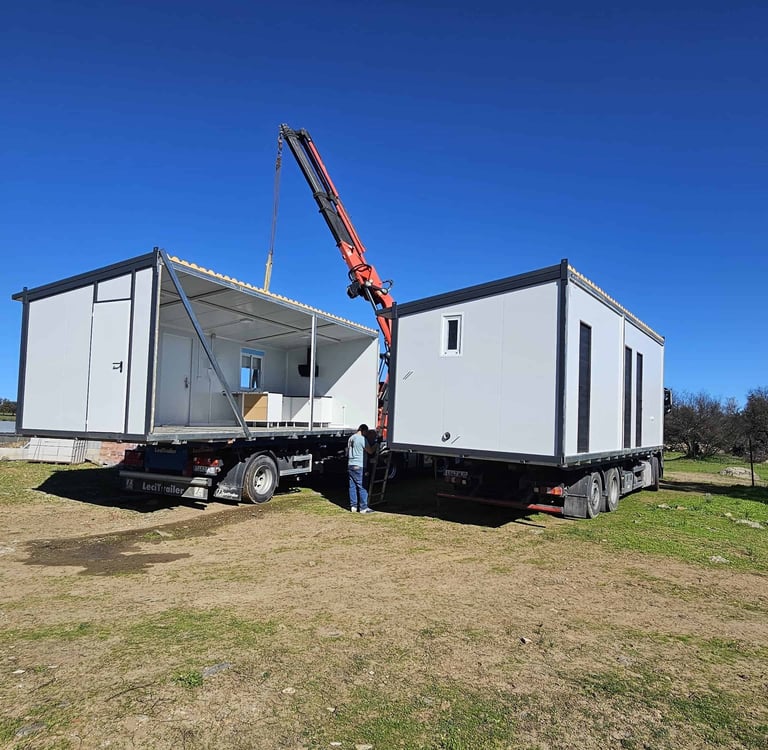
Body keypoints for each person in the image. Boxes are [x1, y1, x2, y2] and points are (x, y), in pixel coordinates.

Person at [347, 423, 375, 513]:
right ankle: (363, 508)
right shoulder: (362, 439)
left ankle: (353, 507)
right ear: (364, 430)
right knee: (362, 486)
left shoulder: (351, 438)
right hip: (359, 465)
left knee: (352, 487)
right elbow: (370, 451)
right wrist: (376, 446)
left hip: (350, 464)